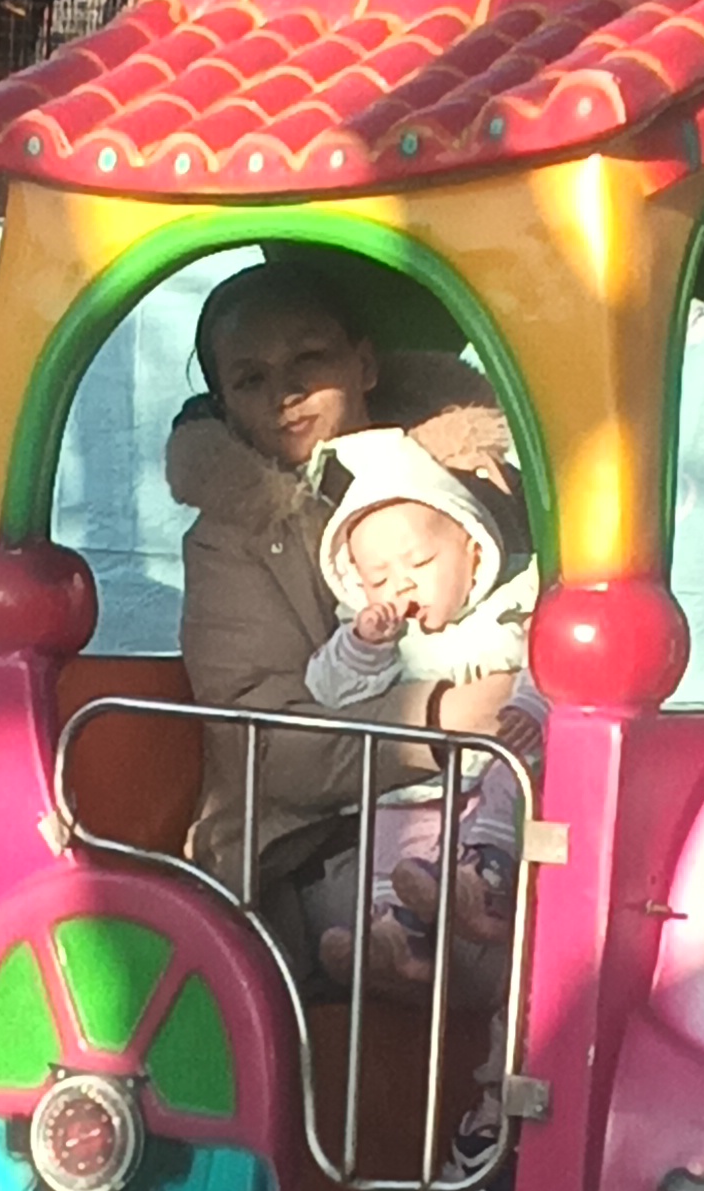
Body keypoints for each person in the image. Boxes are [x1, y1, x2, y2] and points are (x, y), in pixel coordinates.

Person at [165, 251, 519, 955]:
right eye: (251, 379)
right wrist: (441, 718)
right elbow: (266, 745)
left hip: (495, 796)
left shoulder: (468, 485)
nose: (286, 392)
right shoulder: (231, 539)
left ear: (364, 364)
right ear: (226, 405)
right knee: (512, 948)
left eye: (309, 359)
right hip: (309, 844)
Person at [302, 429, 542, 988]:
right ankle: (393, 934)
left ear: (473, 553)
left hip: (492, 768)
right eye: (379, 577)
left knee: (508, 792)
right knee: (393, 840)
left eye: (421, 562)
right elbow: (329, 691)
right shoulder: (380, 635)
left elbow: (548, 658)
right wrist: (362, 645)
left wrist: (529, 705)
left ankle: (483, 885)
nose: (401, 585)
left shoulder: (510, 608)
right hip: (416, 783)